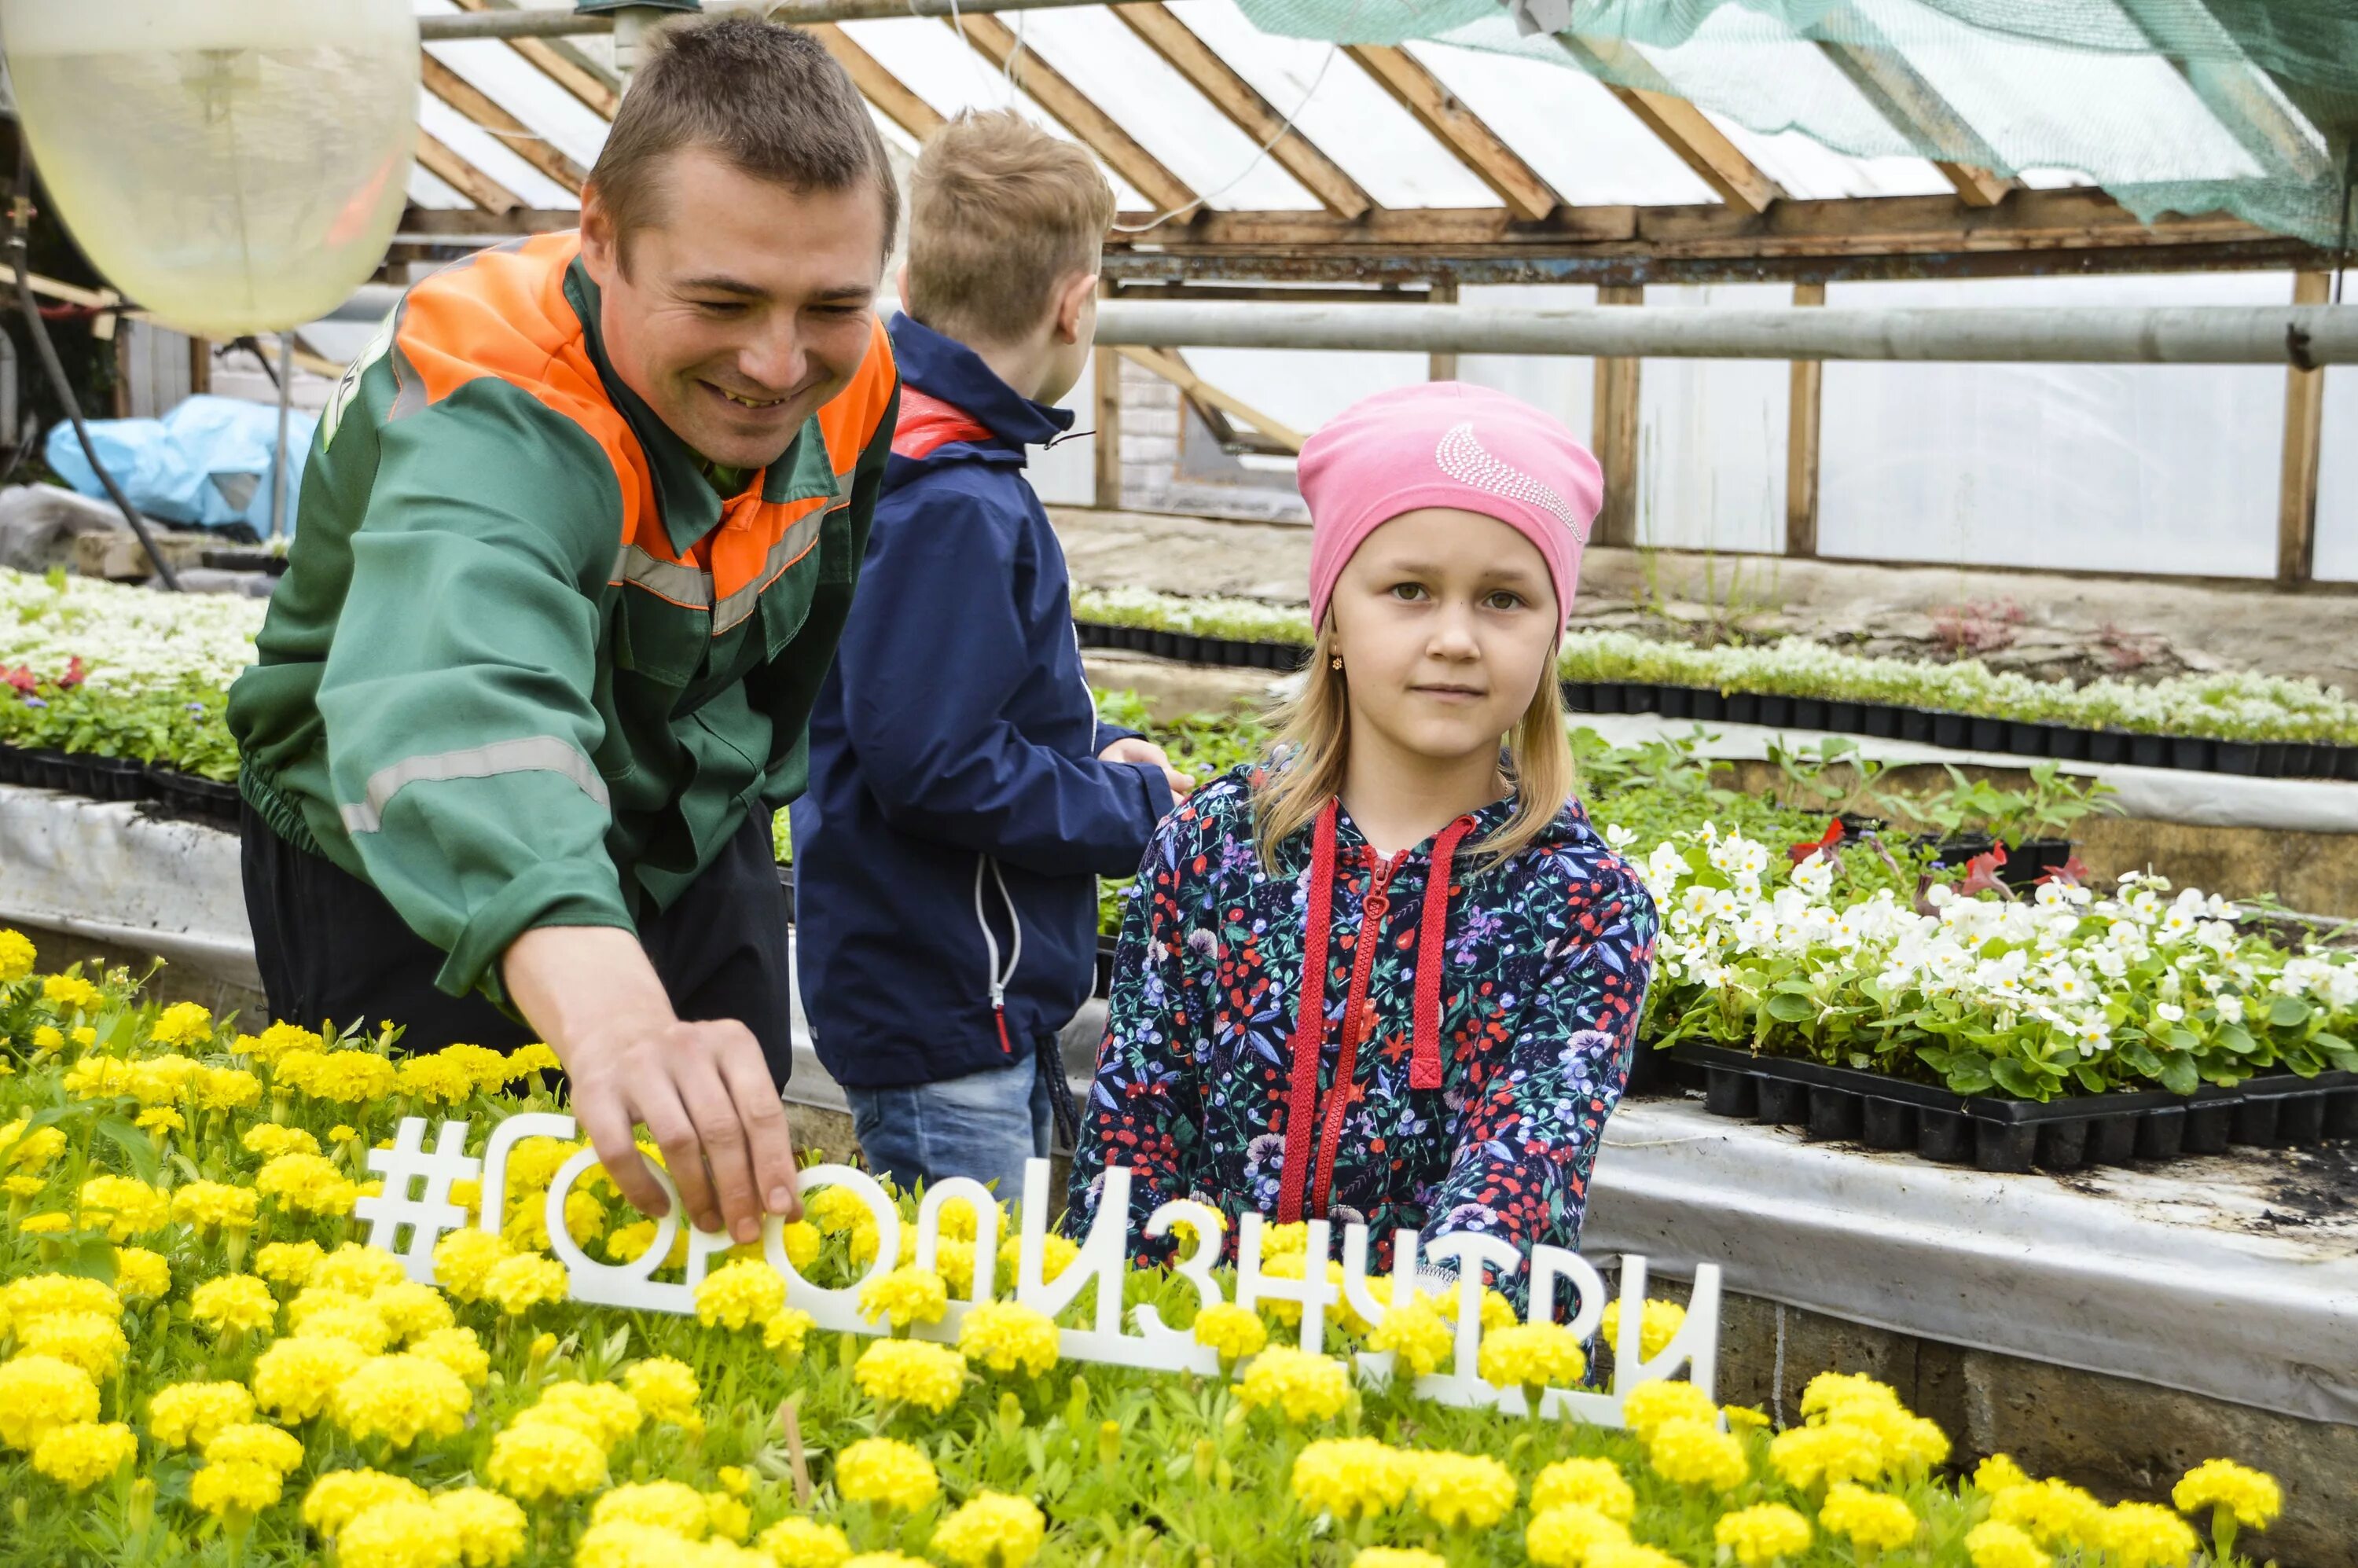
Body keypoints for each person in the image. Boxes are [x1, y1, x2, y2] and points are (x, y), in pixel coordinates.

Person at [226, 17, 902, 1247]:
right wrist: (614, 1018)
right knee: (453, 1242)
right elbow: (458, 700)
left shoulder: (855, 373)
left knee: (725, 1220)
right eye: (724, 299)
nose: (776, 360)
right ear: (600, 236)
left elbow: (796, 645)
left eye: (830, 304)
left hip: (686, 823)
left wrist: (729, 822)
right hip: (401, 850)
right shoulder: (496, 394)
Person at [1066, 381, 1658, 1287]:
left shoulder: (1586, 906)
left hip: (1449, 1387)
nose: (1457, 637)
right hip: (1203, 1373)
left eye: (1505, 599)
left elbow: (1521, 1172)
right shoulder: (1215, 848)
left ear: (1553, 635)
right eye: (1410, 590)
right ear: (1335, 616)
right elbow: (1132, 1142)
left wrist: (1391, 1357)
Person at [795, 111, 1190, 1201]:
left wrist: (1102, 746)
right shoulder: (956, 504)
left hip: (949, 990)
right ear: (1077, 303)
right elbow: (935, 763)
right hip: (945, 1006)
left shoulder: (920, 454)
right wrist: (1132, 811)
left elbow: (941, 706)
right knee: (957, 1325)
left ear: (911, 280)